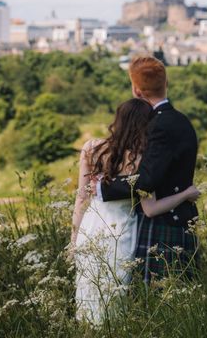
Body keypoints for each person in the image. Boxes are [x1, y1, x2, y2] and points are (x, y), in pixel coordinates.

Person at [71, 98, 200, 324]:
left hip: (90, 229)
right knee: (115, 295)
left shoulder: (91, 148)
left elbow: (81, 198)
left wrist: (74, 237)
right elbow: (150, 209)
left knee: (88, 292)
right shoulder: (138, 159)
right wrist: (186, 194)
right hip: (122, 231)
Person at [98, 55, 200, 283]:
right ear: (166, 83)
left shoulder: (158, 125)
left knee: (154, 306)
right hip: (177, 219)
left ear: (136, 90)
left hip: (163, 222)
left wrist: (102, 187)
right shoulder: (182, 121)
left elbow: (146, 181)